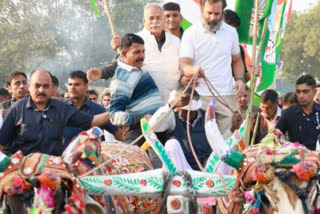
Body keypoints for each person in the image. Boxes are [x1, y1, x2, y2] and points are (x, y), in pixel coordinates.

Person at [0, 68, 111, 156]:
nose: (41, 90)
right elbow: (1, 143)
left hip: (54, 174)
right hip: (23, 174)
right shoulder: (16, 109)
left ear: (52, 87)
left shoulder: (61, 108)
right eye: (37, 86)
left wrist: (116, 112)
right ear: (29, 87)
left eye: (45, 86)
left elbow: (92, 121)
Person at [88, 3, 181, 102]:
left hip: (172, 103)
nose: (155, 21)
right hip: (144, 103)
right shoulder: (134, 39)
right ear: (144, 21)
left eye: (158, 18)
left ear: (163, 20)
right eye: (151, 18)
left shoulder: (176, 41)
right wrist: (102, 73)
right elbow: (120, 64)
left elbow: (183, 67)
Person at [179, 0, 245, 135]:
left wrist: (240, 79)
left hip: (227, 95)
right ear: (202, 9)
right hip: (201, 96)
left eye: (217, 14)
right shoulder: (191, 33)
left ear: (222, 12)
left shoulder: (231, 32)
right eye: (209, 13)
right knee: (202, 143)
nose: (213, 18)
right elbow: (184, 64)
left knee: (229, 143)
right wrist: (193, 70)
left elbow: (237, 61)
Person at [63, 71, 123, 148]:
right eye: (70, 84)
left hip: (91, 158)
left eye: (77, 84)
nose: (72, 87)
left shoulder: (98, 110)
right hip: (64, 157)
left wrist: (124, 151)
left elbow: (117, 132)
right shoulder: (61, 108)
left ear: (86, 87)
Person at [276, 75, 320, 150]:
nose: (301, 96)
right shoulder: (288, 114)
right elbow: (275, 137)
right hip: (295, 159)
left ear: (314, 92)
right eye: (298, 92)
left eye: (305, 92)